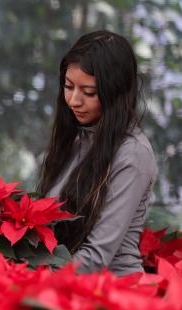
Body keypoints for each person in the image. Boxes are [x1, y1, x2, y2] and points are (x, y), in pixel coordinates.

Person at [37, 30, 157, 275]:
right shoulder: (77, 137)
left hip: (113, 292)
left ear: (115, 92)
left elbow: (97, 255)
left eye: (88, 92)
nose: (73, 101)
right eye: (68, 86)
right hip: (67, 282)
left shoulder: (132, 154)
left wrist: (33, 281)